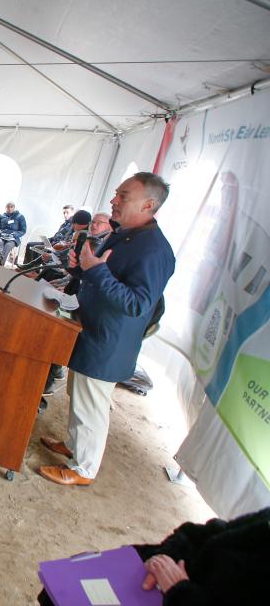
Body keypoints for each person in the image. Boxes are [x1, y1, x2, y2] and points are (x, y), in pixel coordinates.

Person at [38, 173, 175, 487]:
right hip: (91, 329)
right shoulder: (126, 233)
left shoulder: (153, 250)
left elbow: (138, 303)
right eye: (116, 194)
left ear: (149, 204)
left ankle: (83, 469)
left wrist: (96, 271)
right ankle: (73, 447)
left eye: (123, 196)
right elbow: (103, 274)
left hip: (108, 341)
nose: (114, 200)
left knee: (91, 407)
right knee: (79, 395)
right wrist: (80, 267)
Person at [37, 507, 269, 606]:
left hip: (182, 595)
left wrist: (181, 593)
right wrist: (163, 558)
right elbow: (219, 531)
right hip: (166, 580)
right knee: (70, 584)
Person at [0, 201, 27, 266]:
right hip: (1, 236)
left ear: (14, 208)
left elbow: (23, 230)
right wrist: (0, 233)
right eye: (8, 207)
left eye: (11, 207)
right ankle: (0, 261)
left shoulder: (20, 217)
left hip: (13, 238)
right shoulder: (1, 216)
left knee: (8, 245)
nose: (9, 208)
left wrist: (14, 235)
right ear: (5, 208)